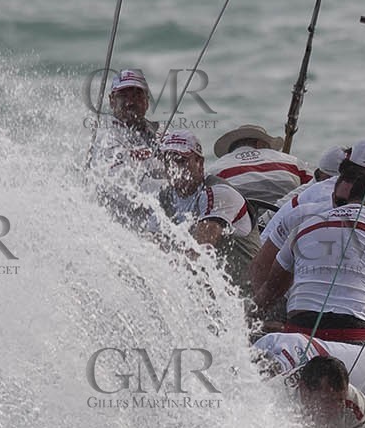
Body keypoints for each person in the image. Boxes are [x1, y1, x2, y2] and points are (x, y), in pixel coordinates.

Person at [250, 164, 365, 335]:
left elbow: (272, 288)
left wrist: (248, 320)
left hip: (300, 327)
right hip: (355, 330)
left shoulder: (305, 224)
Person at [157, 130, 256, 290]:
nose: (173, 168)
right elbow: (151, 241)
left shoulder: (217, 193)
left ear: (200, 163)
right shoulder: (165, 197)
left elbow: (200, 250)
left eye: (181, 161)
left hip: (244, 294)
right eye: (168, 161)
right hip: (209, 292)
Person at [91, 68, 165, 203]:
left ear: (147, 101)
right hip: (119, 215)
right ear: (112, 100)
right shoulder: (106, 138)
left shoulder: (160, 131)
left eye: (137, 95)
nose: (131, 102)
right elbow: (125, 188)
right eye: (123, 96)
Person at [209, 125, 311, 205]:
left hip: (242, 223)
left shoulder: (215, 169)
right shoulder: (292, 161)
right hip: (285, 219)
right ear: (260, 144)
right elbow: (315, 187)